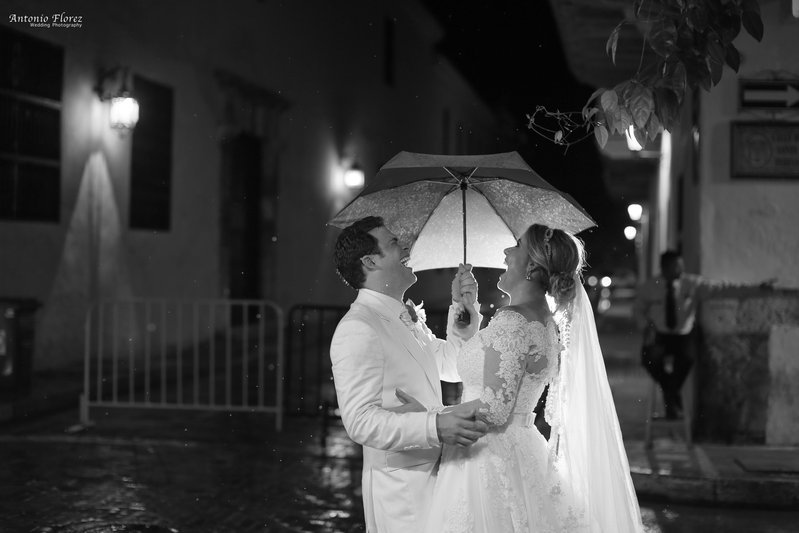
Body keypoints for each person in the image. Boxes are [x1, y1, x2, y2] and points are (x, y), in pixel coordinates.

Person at [422, 224, 643, 533]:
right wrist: (466, 312)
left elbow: (494, 410)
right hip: (521, 448)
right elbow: (495, 371)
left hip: (487, 459)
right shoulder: (543, 321)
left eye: (516, 246)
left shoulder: (513, 320)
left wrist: (428, 418)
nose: (505, 251)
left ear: (532, 266)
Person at [329, 215, 488, 533]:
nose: (406, 248)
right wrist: (435, 425)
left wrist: (461, 307)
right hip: (402, 491)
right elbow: (360, 422)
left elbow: (451, 366)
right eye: (393, 243)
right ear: (371, 261)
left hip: (438, 474)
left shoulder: (401, 314)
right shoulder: (358, 327)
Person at [633, 250, 700, 419]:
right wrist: (645, 326)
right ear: (665, 267)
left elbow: (719, 288)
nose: (680, 269)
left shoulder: (691, 283)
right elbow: (638, 309)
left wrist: (756, 289)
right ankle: (672, 393)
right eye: (676, 266)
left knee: (688, 358)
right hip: (659, 334)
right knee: (649, 359)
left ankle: (670, 394)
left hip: (682, 335)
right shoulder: (651, 286)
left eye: (681, 265)